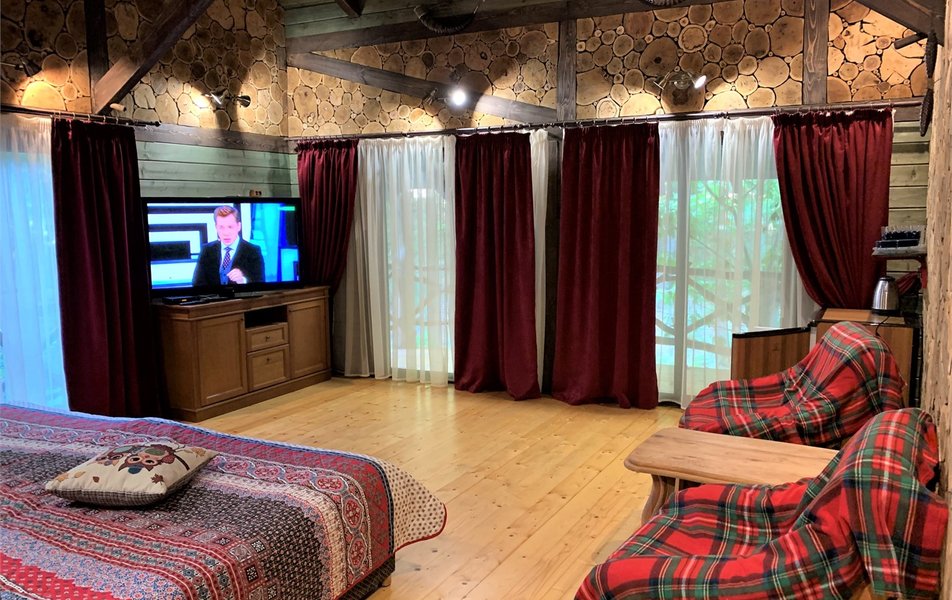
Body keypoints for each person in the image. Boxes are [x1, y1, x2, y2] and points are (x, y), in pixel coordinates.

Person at [192, 206, 264, 286]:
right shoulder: (207, 250)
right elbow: (197, 283)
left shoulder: (253, 251)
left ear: (239, 226)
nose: (226, 233)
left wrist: (242, 280)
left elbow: (260, 284)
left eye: (230, 227)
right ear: (216, 227)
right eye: (221, 227)